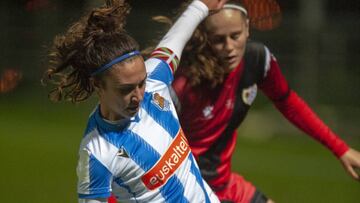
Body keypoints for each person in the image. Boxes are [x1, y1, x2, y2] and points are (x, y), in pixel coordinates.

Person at [170, 1, 360, 203]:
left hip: (225, 183)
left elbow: (288, 103)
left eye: (235, 36)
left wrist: (341, 149)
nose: (229, 47)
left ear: (247, 29)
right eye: (218, 40)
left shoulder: (258, 60)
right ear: (204, 38)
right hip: (189, 188)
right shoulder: (183, 84)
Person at [43, 0, 228, 202]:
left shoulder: (155, 81)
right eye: (126, 89)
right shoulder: (97, 152)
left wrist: (199, 6)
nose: (139, 95)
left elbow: (174, 41)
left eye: (141, 83)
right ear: (98, 85)